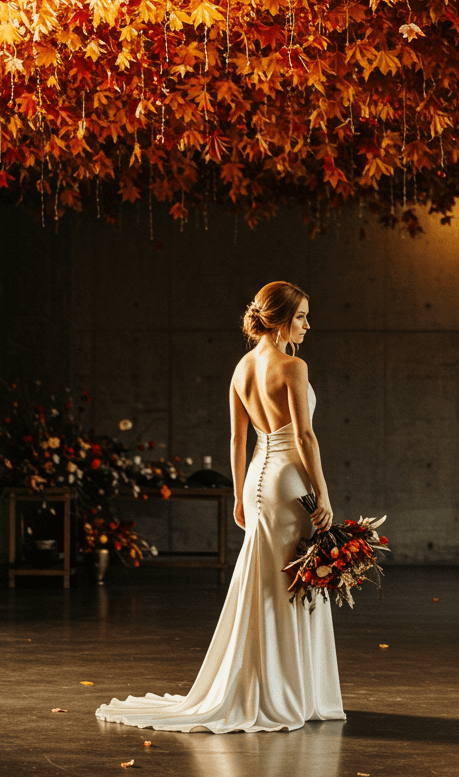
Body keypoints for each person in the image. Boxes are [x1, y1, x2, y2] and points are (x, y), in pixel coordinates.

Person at [95, 280, 346, 734]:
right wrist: (323, 493)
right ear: (280, 319)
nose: (309, 325)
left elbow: (237, 439)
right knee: (291, 583)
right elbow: (305, 437)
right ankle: (289, 692)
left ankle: (263, 686)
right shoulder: (293, 366)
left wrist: (237, 495)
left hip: (256, 480)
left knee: (268, 582)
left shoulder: (242, 367)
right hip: (289, 480)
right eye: (303, 316)